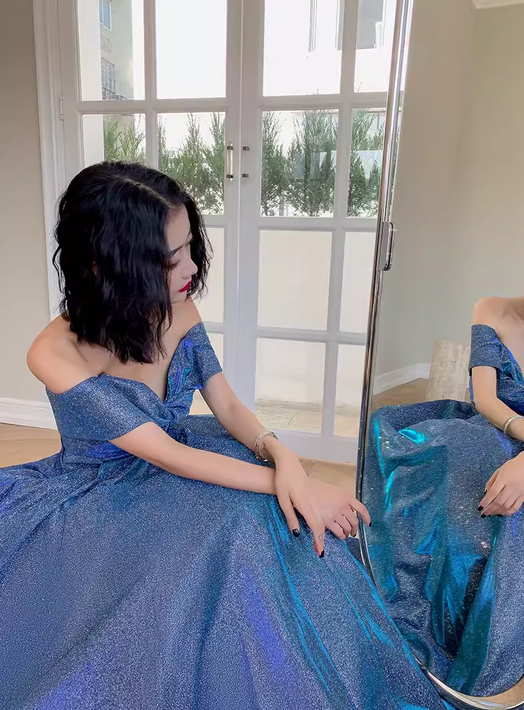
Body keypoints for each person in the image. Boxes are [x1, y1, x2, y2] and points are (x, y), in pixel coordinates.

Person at [0, 162, 447, 710]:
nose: (192, 267)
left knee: (267, 523)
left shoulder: (177, 306)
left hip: (180, 458)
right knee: (241, 528)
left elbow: (227, 404)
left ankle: (326, 671)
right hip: (102, 495)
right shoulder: (53, 352)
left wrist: (282, 456)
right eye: (171, 257)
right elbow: (168, 455)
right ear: (106, 265)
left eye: (191, 245)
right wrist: (298, 487)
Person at [363, 295, 524, 697]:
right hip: (497, 428)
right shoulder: (491, 309)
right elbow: (486, 398)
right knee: (455, 482)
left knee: (513, 531)